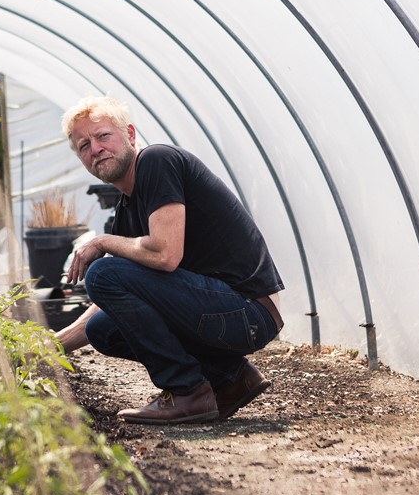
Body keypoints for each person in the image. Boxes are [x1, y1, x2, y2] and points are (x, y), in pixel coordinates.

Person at [55, 97, 284, 424]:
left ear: (130, 135)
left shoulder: (156, 161)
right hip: (223, 312)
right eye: (84, 145)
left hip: (247, 311)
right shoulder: (127, 208)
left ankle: (187, 391)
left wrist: (102, 242)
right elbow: (114, 297)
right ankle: (231, 379)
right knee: (102, 329)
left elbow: (165, 254)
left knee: (102, 273)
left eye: (104, 136)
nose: (95, 149)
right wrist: (54, 345)